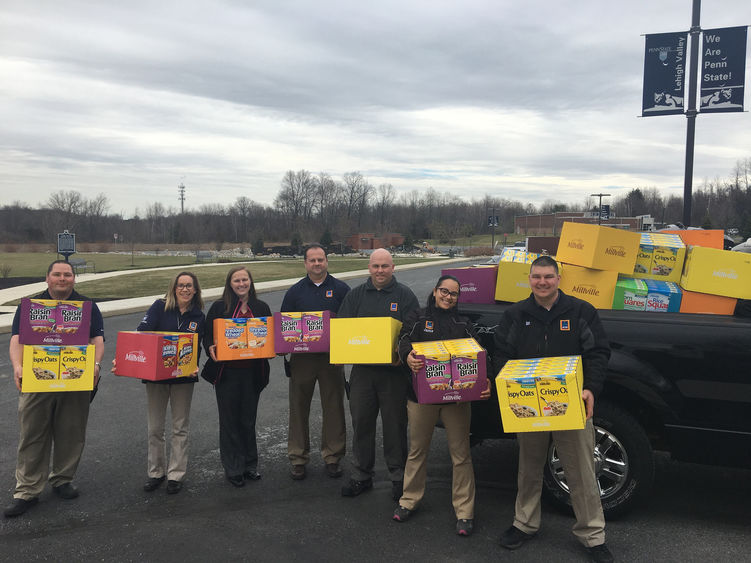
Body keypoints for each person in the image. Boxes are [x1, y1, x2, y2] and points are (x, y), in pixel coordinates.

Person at [492, 255, 614, 563]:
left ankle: (593, 535)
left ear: (559, 279)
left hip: (569, 402)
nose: (542, 282)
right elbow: (501, 355)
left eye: (548, 276)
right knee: (528, 469)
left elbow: (598, 352)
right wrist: (509, 388)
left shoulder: (580, 311)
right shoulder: (516, 314)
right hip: (528, 405)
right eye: (537, 277)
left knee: (582, 472)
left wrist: (591, 388)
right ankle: (524, 524)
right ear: (529, 279)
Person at [4, 260, 105, 518]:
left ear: (74, 278)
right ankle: (27, 490)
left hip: (75, 378)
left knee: (71, 432)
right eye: (57, 274)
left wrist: (94, 364)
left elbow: (97, 339)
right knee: (32, 433)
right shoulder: (30, 306)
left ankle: (62, 479)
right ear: (47, 278)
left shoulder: (88, 306)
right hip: (38, 378)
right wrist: (17, 366)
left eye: (67, 275)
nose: (63, 279)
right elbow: (17, 339)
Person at [393, 275, 491, 536]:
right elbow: (403, 340)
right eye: (444, 292)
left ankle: (464, 511)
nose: (448, 297)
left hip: (457, 400)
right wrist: (407, 356)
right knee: (417, 450)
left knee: (461, 455)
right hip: (421, 398)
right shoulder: (418, 317)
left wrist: (486, 379)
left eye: (454, 294)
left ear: (458, 298)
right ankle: (409, 500)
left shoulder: (464, 324)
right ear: (435, 291)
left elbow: (481, 354)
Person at [337, 248, 419, 501]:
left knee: (395, 424)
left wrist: (401, 353)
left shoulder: (404, 295)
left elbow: (413, 330)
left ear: (393, 267)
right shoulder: (356, 296)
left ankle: (398, 475)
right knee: (361, 422)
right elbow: (343, 328)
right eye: (375, 266)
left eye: (385, 266)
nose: (380, 271)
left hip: (393, 372)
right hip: (363, 372)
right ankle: (361, 474)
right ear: (369, 268)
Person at [281, 244, 350, 480]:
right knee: (298, 408)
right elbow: (284, 327)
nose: (317, 264)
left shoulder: (341, 289)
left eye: (321, 259)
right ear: (305, 263)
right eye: (312, 260)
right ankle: (298, 457)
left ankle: (333, 456)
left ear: (327, 262)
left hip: (333, 358)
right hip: (302, 359)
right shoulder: (295, 292)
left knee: (334, 407)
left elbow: (352, 323)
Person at [135, 271, 205, 495]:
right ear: (174, 288)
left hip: (184, 377)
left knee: (180, 427)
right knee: (155, 427)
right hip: (157, 377)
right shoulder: (159, 307)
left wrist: (195, 364)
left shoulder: (198, 316)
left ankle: (176, 474)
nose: (185, 289)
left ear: (195, 290)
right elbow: (142, 333)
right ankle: (156, 472)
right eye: (181, 285)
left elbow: (197, 347)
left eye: (189, 286)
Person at [202, 266, 271, 487]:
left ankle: (250, 464)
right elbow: (207, 336)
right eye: (236, 281)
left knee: (248, 420)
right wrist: (210, 347)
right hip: (227, 374)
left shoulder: (261, 307)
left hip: (253, 373)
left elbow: (269, 335)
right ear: (229, 284)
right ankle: (233, 467)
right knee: (230, 421)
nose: (241, 284)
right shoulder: (219, 307)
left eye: (244, 280)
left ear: (250, 282)